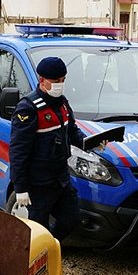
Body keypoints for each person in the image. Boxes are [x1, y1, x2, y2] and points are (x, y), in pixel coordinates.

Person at [9, 57, 105, 241]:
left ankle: (51, 245)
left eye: (63, 80)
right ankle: (40, 260)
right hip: (38, 184)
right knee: (38, 230)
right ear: (42, 80)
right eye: (55, 82)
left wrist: (91, 143)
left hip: (61, 179)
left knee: (72, 218)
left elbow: (72, 132)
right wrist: (20, 187)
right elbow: (18, 152)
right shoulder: (28, 109)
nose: (60, 85)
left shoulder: (62, 103)